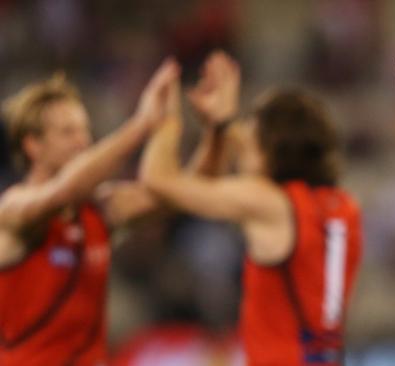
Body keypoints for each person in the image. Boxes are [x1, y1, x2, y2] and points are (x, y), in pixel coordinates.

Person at [139, 52, 363, 366]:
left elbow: (158, 180)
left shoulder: (269, 202)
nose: (244, 144)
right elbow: (247, 152)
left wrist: (166, 119)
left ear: (272, 148)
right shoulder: (343, 205)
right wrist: (222, 124)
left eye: (252, 134)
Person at [0, 60, 178, 365]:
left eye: (85, 130)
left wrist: (205, 128)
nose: (83, 141)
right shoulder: (14, 209)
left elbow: (177, 195)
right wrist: (140, 125)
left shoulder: (99, 210)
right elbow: (63, 191)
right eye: (68, 132)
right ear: (33, 146)